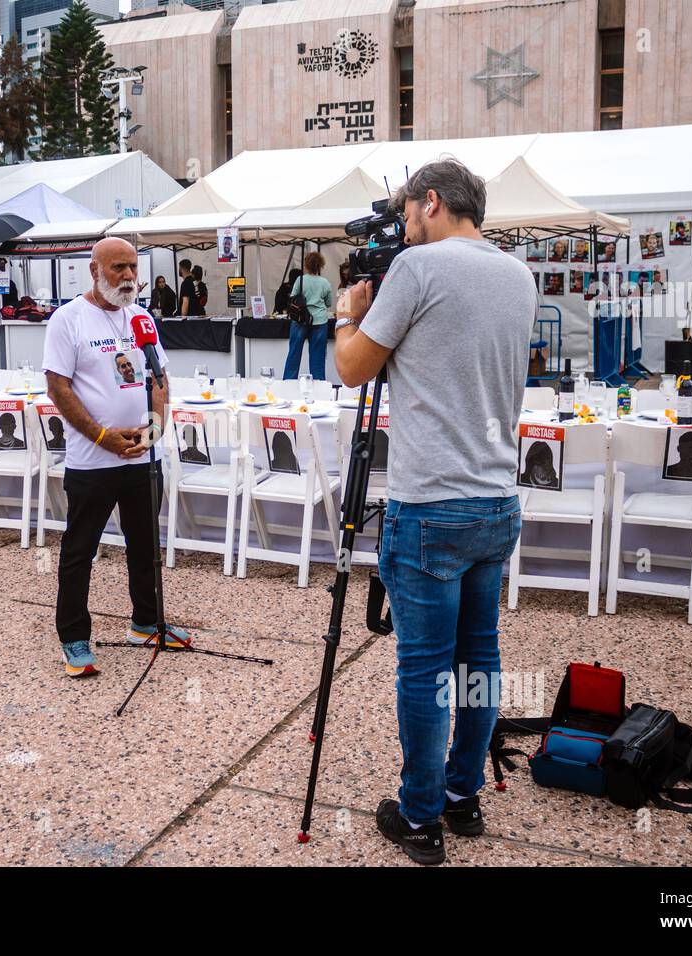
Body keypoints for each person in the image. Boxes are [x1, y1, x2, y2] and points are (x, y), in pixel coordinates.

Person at [333, 158, 535, 866]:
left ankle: (418, 818)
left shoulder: (417, 273)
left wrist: (346, 315)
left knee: (423, 670)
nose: (404, 228)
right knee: (479, 659)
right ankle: (462, 795)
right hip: (496, 500)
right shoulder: (520, 274)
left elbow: (353, 368)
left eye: (407, 213)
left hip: (430, 506)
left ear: (430, 203)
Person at [42, 236, 188, 679]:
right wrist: (104, 436)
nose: (128, 276)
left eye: (132, 268)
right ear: (94, 270)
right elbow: (58, 388)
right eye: (117, 268)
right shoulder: (67, 320)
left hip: (143, 458)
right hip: (93, 461)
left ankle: (146, 622)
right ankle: (74, 638)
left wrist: (156, 428)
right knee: (79, 550)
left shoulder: (142, 318)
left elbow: (159, 377)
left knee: (144, 545)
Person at [284, 251, 335, 381]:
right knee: (317, 358)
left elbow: (292, 298)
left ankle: (288, 385)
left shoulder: (299, 280)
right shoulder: (325, 282)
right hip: (319, 321)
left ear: (306, 265)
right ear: (320, 266)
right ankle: (318, 388)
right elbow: (329, 303)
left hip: (300, 320)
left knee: (294, 355)